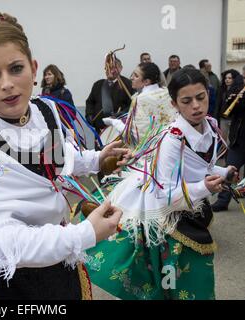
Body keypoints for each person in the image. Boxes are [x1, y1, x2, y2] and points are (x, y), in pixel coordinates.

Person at [0, 10, 131, 300]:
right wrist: (83, 235)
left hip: (59, 263)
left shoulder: (46, 111)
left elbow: (55, 159)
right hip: (2, 280)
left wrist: (97, 159)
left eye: (16, 68)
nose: (7, 83)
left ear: (34, 69)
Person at [84, 68, 237, 300]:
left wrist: (225, 172)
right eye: (187, 101)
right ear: (174, 104)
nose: (196, 106)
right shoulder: (172, 138)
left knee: (189, 278)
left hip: (190, 205)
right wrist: (205, 187)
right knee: (172, 279)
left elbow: (202, 167)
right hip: (166, 215)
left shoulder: (211, 126)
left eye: (201, 97)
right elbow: (164, 193)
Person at [102, 62, 176, 146]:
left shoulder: (141, 99)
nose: (131, 78)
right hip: (170, 144)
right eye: (133, 74)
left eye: (136, 76)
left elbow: (135, 136)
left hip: (152, 151)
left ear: (146, 81)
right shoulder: (166, 92)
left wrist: (115, 123)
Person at [212, 73, 245, 212]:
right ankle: (222, 201)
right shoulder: (239, 89)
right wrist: (232, 102)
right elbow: (226, 112)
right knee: (229, 169)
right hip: (239, 140)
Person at [85, 58, 134, 132]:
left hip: (119, 128)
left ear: (120, 68)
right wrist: (89, 115)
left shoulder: (128, 84)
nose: (110, 70)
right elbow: (90, 102)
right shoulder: (98, 84)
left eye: (113, 67)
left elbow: (133, 105)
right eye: (107, 67)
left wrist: (122, 114)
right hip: (100, 128)